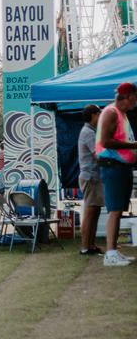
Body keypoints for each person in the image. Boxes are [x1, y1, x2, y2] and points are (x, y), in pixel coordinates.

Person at [95, 82, 137, 266]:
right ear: (128, 97)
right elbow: (105, 141)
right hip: (113, 167)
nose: (136, 101)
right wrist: (133, 146)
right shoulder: (111, 113)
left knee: (118, 210)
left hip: (121, 167)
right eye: (135, 98)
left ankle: (113, 251)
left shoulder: (122, 114)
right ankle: (110, 253)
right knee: (114, 211)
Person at [77, 104, 104, 256]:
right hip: (90, 178)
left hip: (94, 177)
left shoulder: (92, 131)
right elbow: (98, 155)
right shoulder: (88, 133)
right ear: (93, 115)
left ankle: (91, 245)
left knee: (95, 211)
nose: (101, 117)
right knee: (90, 212)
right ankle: (85, 247)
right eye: (99, 113)